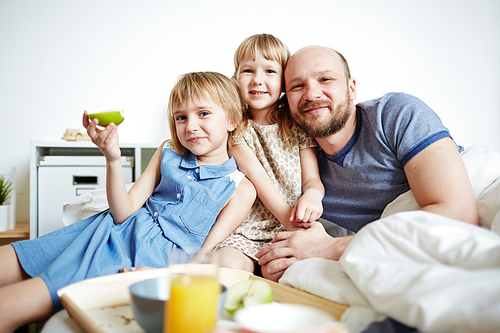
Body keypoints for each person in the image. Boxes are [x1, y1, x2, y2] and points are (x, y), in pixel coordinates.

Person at [0, 71, 256, 331]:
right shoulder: (167, 151)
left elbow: (202, 257)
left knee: (6, 309)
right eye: (181, 117)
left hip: (133, 258)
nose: (190, 125)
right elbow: (122, 212)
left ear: (232, 120)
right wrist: (112, 157)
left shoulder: (240, 188)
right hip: (100, 231)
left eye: (203, 114)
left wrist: (162, 277)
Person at [256, 45, 479, 280]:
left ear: (351, 88)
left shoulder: (395, 114)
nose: (312, 94)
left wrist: (329, 248)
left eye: (325, 79)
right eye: (297, 86)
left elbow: (460, 218)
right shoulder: (296, 166)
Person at [214, 34, 325, 281]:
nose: (258, 80)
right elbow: (259, 179)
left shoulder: (297, 125)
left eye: (270, 71)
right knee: (228, 267)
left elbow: (312, 179)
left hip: (288, 224)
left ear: (285, 81)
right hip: (247, 228)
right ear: (235, 78)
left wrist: (313, 196)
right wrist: (290, 222)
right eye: (248, 70)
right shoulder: (235, 127)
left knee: (281, 274)